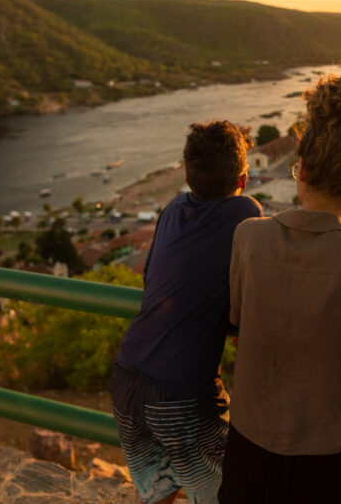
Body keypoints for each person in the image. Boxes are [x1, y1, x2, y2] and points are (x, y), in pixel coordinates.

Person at [218, 73, 341, 504]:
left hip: (250, 441)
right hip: (330, 453)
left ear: (300, 170)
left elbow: (236, 316)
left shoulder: (248, 236)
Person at [111, 120, 263, 504]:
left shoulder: (173, 208)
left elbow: (151, 281)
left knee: (159, 492)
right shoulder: (246, 210)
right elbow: (250, 291)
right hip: (181, 392)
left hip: (127, 377)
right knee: (228, 491)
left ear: (187, 173)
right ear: (242, 180)